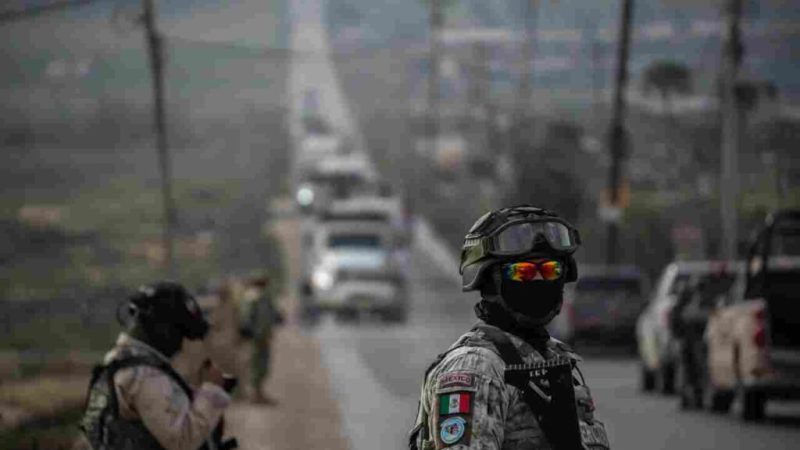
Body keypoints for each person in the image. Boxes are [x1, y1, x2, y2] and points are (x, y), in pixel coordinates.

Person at [409, 205, 610, 450]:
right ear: (489, 279)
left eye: (549, 270)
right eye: (523, 272)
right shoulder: (478, 366)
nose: (539, 280)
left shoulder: (552, 356)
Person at [80, 281, 237, 450]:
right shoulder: (145, 375)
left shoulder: (118, 361)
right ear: (163, 329)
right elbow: (182, 441)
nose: (180, 345)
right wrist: (211, 391)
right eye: (180, 333)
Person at [239, 274, 284, 404]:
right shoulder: (253, 297)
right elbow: (247, 318)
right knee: (256, 365)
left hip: (263, 336)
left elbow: (271, 315)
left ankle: (259, 393)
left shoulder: (263, 297)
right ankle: (256, 394)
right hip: (256, 337)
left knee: (262, 364)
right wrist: (250, 333)